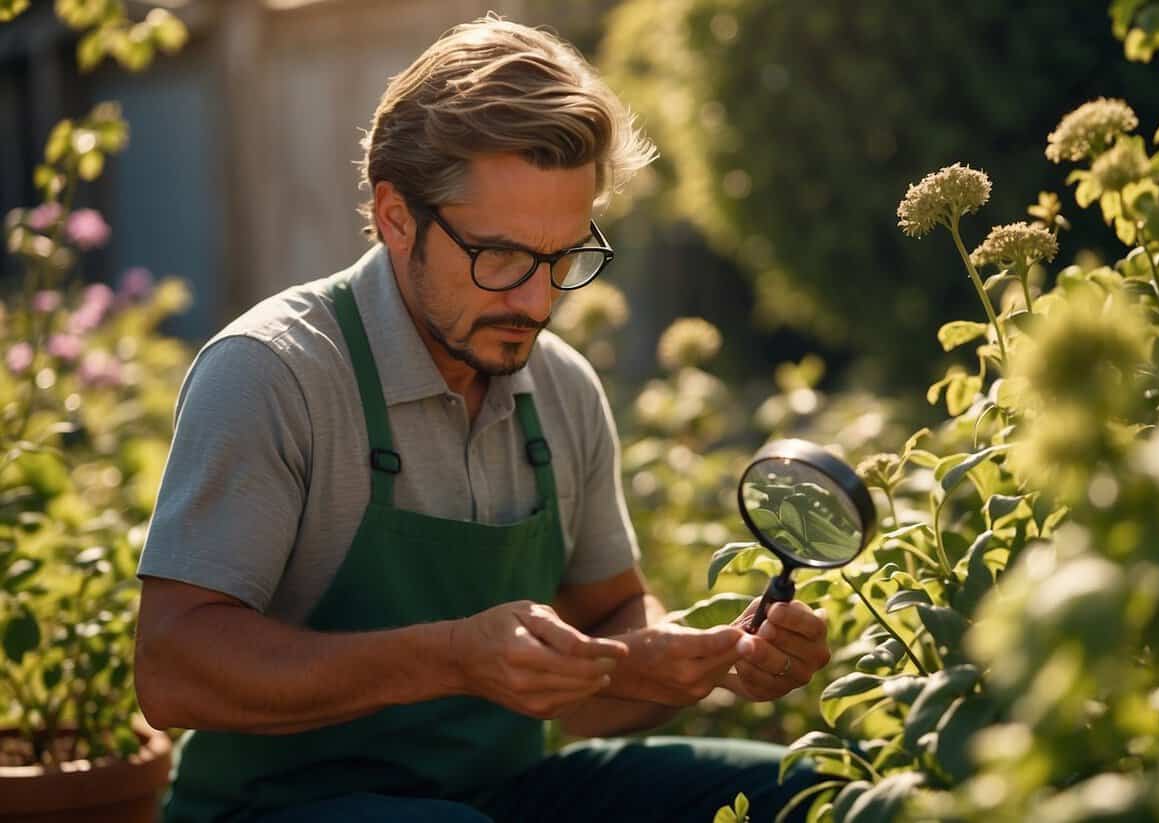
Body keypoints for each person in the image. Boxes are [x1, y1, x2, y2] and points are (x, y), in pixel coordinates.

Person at [133, 15, 832, 823]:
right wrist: (456, 657)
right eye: (499, 256)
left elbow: (608, 629)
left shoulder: (560, 388)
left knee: (808, 791)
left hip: (497, 799)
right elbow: (173, 668)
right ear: (396, 217)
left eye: (563, 257)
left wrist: (683, 657)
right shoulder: (274, 372)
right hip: (272, 807)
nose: (536, 301)